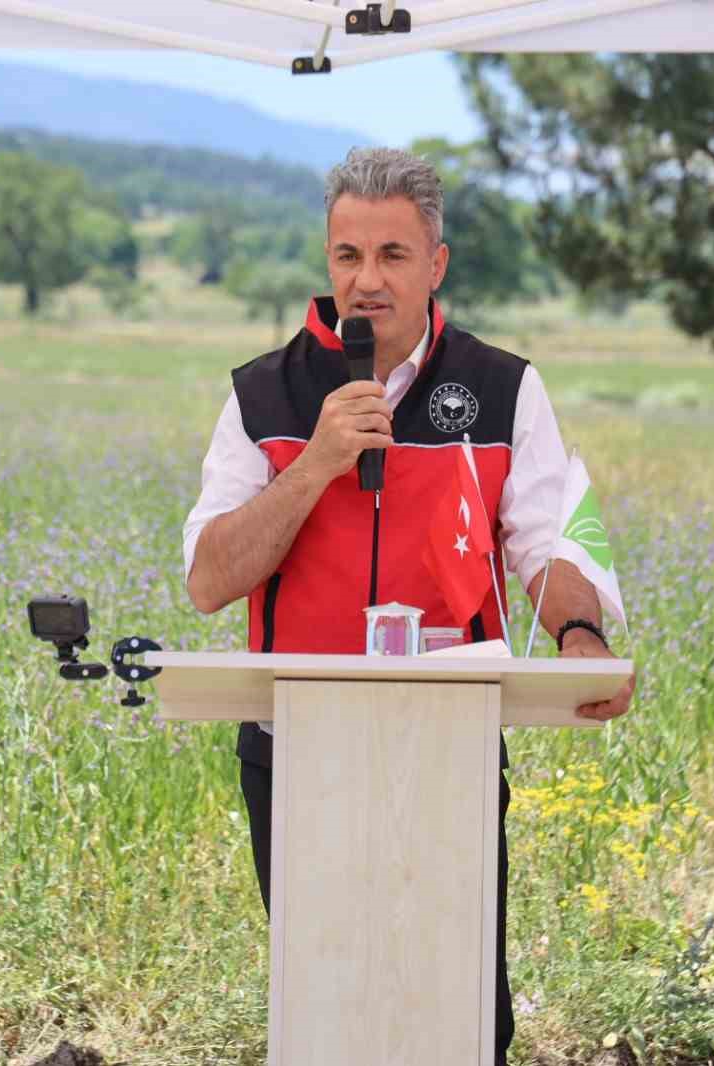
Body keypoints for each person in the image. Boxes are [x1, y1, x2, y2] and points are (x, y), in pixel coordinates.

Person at [182, 147, 633, 1064]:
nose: (367, 281)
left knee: (460, 1010)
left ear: (437, 264)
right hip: (295, 747)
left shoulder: (504, 389)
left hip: (450, 745)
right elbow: (208, 580)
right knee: (327, 1004)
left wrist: (581, 636)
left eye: (392, 255)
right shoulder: (260, 394)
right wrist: (314, 463)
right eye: (347, 256)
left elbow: (549, 540)